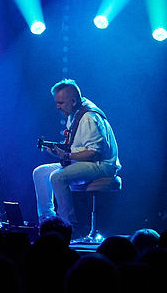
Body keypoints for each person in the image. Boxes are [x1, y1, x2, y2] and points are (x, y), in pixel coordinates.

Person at [32, 78, 120, 231]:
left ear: (73, 101)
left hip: (101, 165)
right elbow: (77, 147)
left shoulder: (88, 118)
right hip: (84, 161)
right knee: (39, 172)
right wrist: (60, 152)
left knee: (57, 177)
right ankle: (47, 220)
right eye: (57, 102)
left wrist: (66, 156)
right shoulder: (74, 113)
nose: (57, 106)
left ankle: (67, 226)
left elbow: (94, 153)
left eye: (61, 103)